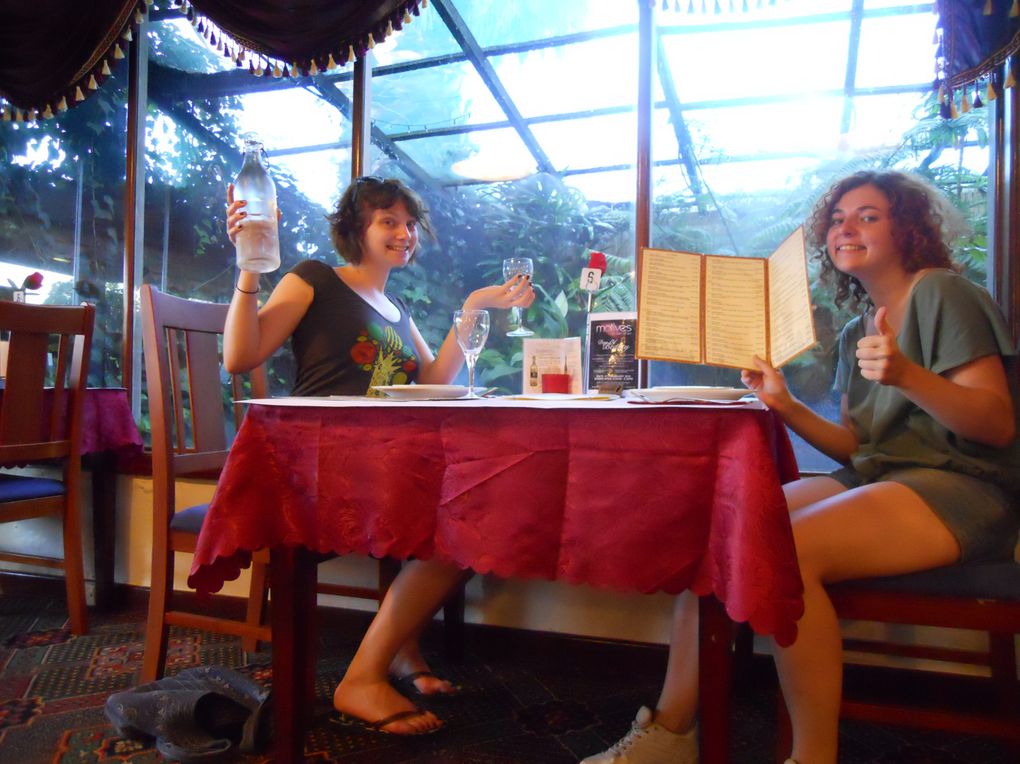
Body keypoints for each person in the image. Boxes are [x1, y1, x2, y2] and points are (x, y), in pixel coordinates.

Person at [580, 169, 1020, 764]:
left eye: (868, 215)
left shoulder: (943, 292)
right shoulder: (857, 333)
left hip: (966, 489)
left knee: (788, 551)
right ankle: (672, 730)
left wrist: (907, 375)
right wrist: (782, 404)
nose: (846, 228)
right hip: (883, 480)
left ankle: (812, 756)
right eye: (837, 219)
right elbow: (856, 450)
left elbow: (996, 425)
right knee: (721, 533)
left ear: (908, 229)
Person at [224, 175, 534, 735]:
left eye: (409, 224)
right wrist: (250, 265)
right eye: (388, 221)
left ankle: (398, 650)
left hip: (380, 461)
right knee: (466, 522)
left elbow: (437, 378)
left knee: (482, 502)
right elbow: (240, 355)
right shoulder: (313, 279)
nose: (404, 232)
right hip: (319, 465)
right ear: (355, 229)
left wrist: (473, 305)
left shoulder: (394, 310)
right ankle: (362, 677)